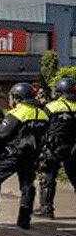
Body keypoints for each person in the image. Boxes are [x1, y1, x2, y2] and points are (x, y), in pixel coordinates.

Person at [0, 82, 49, 229]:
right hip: (32, 156)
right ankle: (24, 219)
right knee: (27, 185)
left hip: (13, 155)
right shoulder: (43, 114)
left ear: (18, 98)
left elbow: (1, 134)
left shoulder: (17, 113)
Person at [35, 77, 76, 218]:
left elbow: (41, 125)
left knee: (48, 176)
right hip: (73, 148)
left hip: (53, 147)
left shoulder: (52, 107)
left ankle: (46, 208)